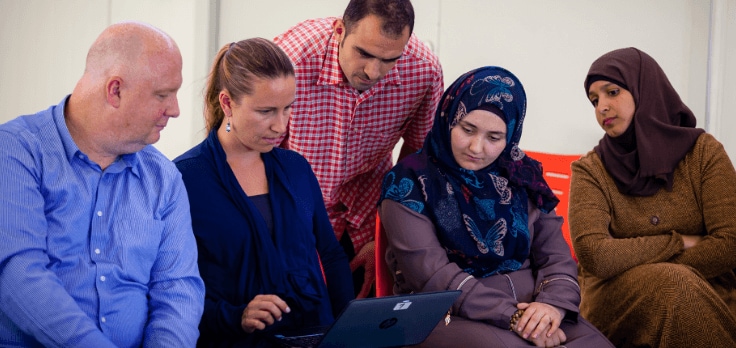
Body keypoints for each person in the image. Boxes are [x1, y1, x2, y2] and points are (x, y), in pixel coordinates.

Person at [0, 22, 205, 347]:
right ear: (115, 90)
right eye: (163, 95)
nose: (175, 110)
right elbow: (19, 274)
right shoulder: (16, 150)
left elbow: (177, 289)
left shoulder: (164, 178)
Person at [378, 66, 613, 347]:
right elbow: (432, 274)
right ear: (448, 119)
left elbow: (556, 257)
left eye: (494, 137)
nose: (476, 148)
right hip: (447, 313)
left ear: (510, 136)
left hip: (534, 308)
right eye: (467, 129)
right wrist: (512, 317)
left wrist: (552, 307)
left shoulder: (522, 175)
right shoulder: (409, 182)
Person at [174, 38, 354, 347]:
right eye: (266, 111)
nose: (280, 125)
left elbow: (330, 254)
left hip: (313, 333)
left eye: (287, 109)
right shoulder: (183, 178)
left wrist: (351, 328)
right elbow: (171, 287)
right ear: (227, 103)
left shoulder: (296, 168)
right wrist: (236, 316)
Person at [274, 0, 444, 297]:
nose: (373, 71)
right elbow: (253, 155)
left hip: (367, 215)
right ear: (339, 30)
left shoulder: (423, 71)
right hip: (291, 211)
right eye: (363, 53)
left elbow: (417, 160)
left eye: (389, 59)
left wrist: (387, 232)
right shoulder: (291, 61)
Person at [569, 47, 736, 347]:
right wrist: (678, 241)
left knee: (680, 288)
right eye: (595, 100)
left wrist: (632, 256)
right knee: (674, 285)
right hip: (616, 297)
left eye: (612, 92)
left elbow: (729, 244)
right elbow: (594, 254)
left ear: (644, 89)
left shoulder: (704, 153)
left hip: (711, 287)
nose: (602, 107)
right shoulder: (590, 170)